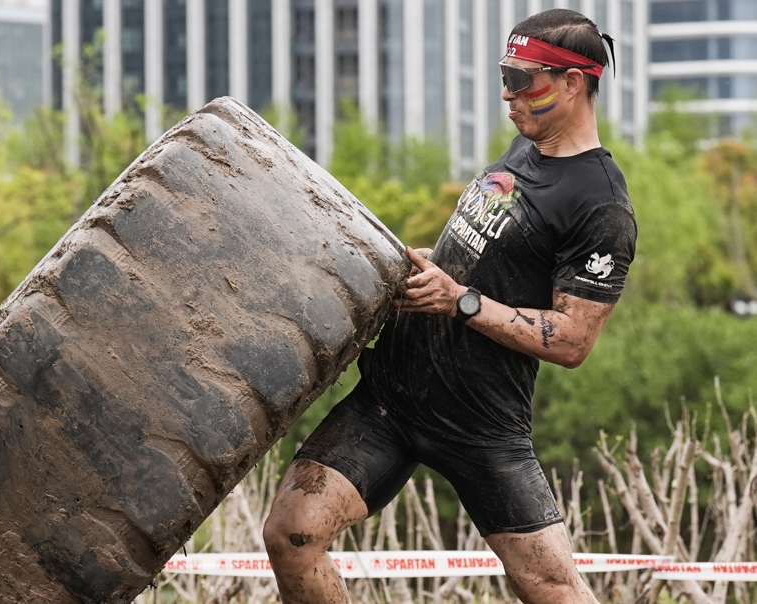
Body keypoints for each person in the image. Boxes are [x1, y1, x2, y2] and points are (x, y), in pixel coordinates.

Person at [263, 8, 637, 604]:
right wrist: (421, 264)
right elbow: (488, 254)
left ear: (573, 82)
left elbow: (572, 340)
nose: (508, 94)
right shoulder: (523, 151)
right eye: (504, 75)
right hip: (391, 400)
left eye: (523, 79)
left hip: (480, 426)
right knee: (291, 535)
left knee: (550, 587)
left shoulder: (601, 206)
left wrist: (460, 300)